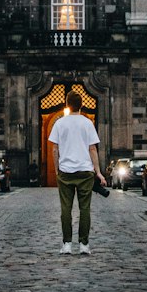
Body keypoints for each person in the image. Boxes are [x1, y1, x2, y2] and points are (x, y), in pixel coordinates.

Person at [49, 91, 107, 256]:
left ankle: (67, 244)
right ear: (81, 105)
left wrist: (57, 170)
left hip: (66, 172)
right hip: (85, 172)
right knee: (85, 209)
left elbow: (54, 149)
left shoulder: (60, 123)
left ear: (67, 105)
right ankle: (84, 244)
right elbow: (92, 149)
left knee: (65, 210)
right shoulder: (87, 123)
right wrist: (99, 173)